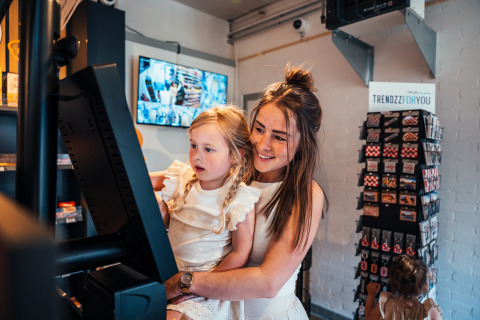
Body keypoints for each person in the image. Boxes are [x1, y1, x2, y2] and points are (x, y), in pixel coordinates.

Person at [164, 64, 326, 319]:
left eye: (279, 137)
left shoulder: (306, 194)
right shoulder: (234, 175)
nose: (263, 144)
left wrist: (184, 283)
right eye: (259, 129)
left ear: (302, 145)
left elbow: (268, 282)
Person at [150, 106, 261, 320]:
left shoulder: (240, 198)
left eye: (208, 149)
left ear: (236, 155)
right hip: (168, 274)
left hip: (205, 285)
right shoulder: (182, 177)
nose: (196, 156)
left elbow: (240, 254)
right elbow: (140, 179)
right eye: (193, 146)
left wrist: (197, 284)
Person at [365, 255, 443, 320]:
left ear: (392, 281)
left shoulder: (385, 305)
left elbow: (369, 318)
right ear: (424, 286)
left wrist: (371, 295)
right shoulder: (429, 312)